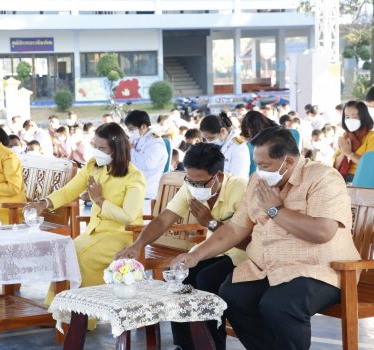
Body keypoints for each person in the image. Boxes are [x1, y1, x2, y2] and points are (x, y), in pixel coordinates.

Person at [171, 127, 360, 350]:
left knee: (279, 304)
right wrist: (195, 255)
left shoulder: (323, 178)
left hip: (319, 268)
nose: (259, 171)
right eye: (257, 164)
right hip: (270, 266)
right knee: (232, 294)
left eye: (264, 166)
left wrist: (275, 210)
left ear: (288, 162)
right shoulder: (258, 182)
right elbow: (234, 229)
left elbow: (322, 232)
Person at [116, 143, 248, 350]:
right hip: (213, 249)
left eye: (200, 182)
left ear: (218, 177)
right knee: (177, 272)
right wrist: (138, 244)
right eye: (189, 180)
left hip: (243, 253)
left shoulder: (240, 189)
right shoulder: (191, 187)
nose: (193, 187)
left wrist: (210, 223)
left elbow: (246, 238)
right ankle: (184, 344)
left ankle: (212, 345)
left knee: (206, 279)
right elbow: (163, 220)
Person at [29, 122, 146, 300]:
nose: (96, 152)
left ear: (117, 149)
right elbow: (69, 190)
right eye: (95, 146)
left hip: (122, 235)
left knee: (83, 258)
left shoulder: (134, 176)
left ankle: (85, 316)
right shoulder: (94, 165)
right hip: (94, 232)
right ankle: (58, 309)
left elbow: (128, 217)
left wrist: (100, 200)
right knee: (64, 253)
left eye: (102, 148)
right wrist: (44, 203)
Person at [125, 110, 167, 200]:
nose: (130, 132)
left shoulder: (155, 142)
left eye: (132, 129)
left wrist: (131, 150)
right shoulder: (138, 137)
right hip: (134, 186)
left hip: (147, 192)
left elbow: (147, 165)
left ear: (143, 126)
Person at [333, 100, 374, 183]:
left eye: (354, 117)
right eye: (347, 117)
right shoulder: (345, 136)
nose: (350, 120)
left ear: (363, 117)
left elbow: (371, 164)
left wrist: (349, 153)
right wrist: (343, 152)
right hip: (342, 178)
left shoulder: (373, 136)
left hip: (362, 179)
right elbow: (335, 164)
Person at [200, 114, 250, 180]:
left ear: (223, 131)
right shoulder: (217, 145)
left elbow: (239, 178)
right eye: (206, 138)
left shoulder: (239, 147)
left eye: (211, 138)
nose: (209, 141)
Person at [240, 110, 278, 175]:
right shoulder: (253, 138)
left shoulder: (274, 136)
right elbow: (240, 139)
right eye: (247, 130)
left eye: (251, 129)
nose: (249, 133)